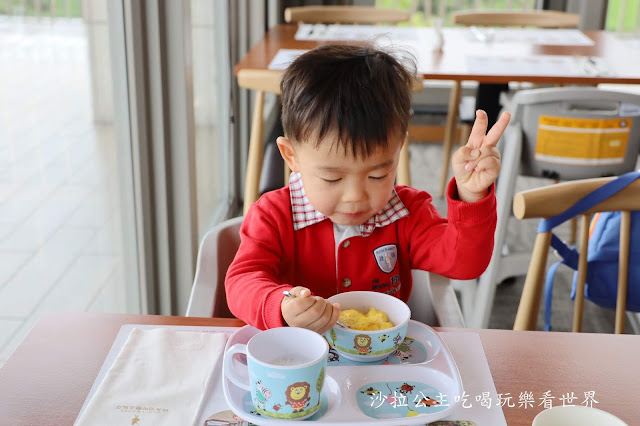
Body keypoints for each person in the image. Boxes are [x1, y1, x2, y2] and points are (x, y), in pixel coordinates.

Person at [226, 44, 510, 334]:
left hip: (382, 360)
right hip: (302, 359)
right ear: (291, 157)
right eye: (332, 179)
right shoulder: (273, 215)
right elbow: (242, 281)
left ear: (399, 149)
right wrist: (281, 305)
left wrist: (472, 196)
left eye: (378, 174)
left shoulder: (407, 213)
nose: (356, 197)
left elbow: (465, 264)